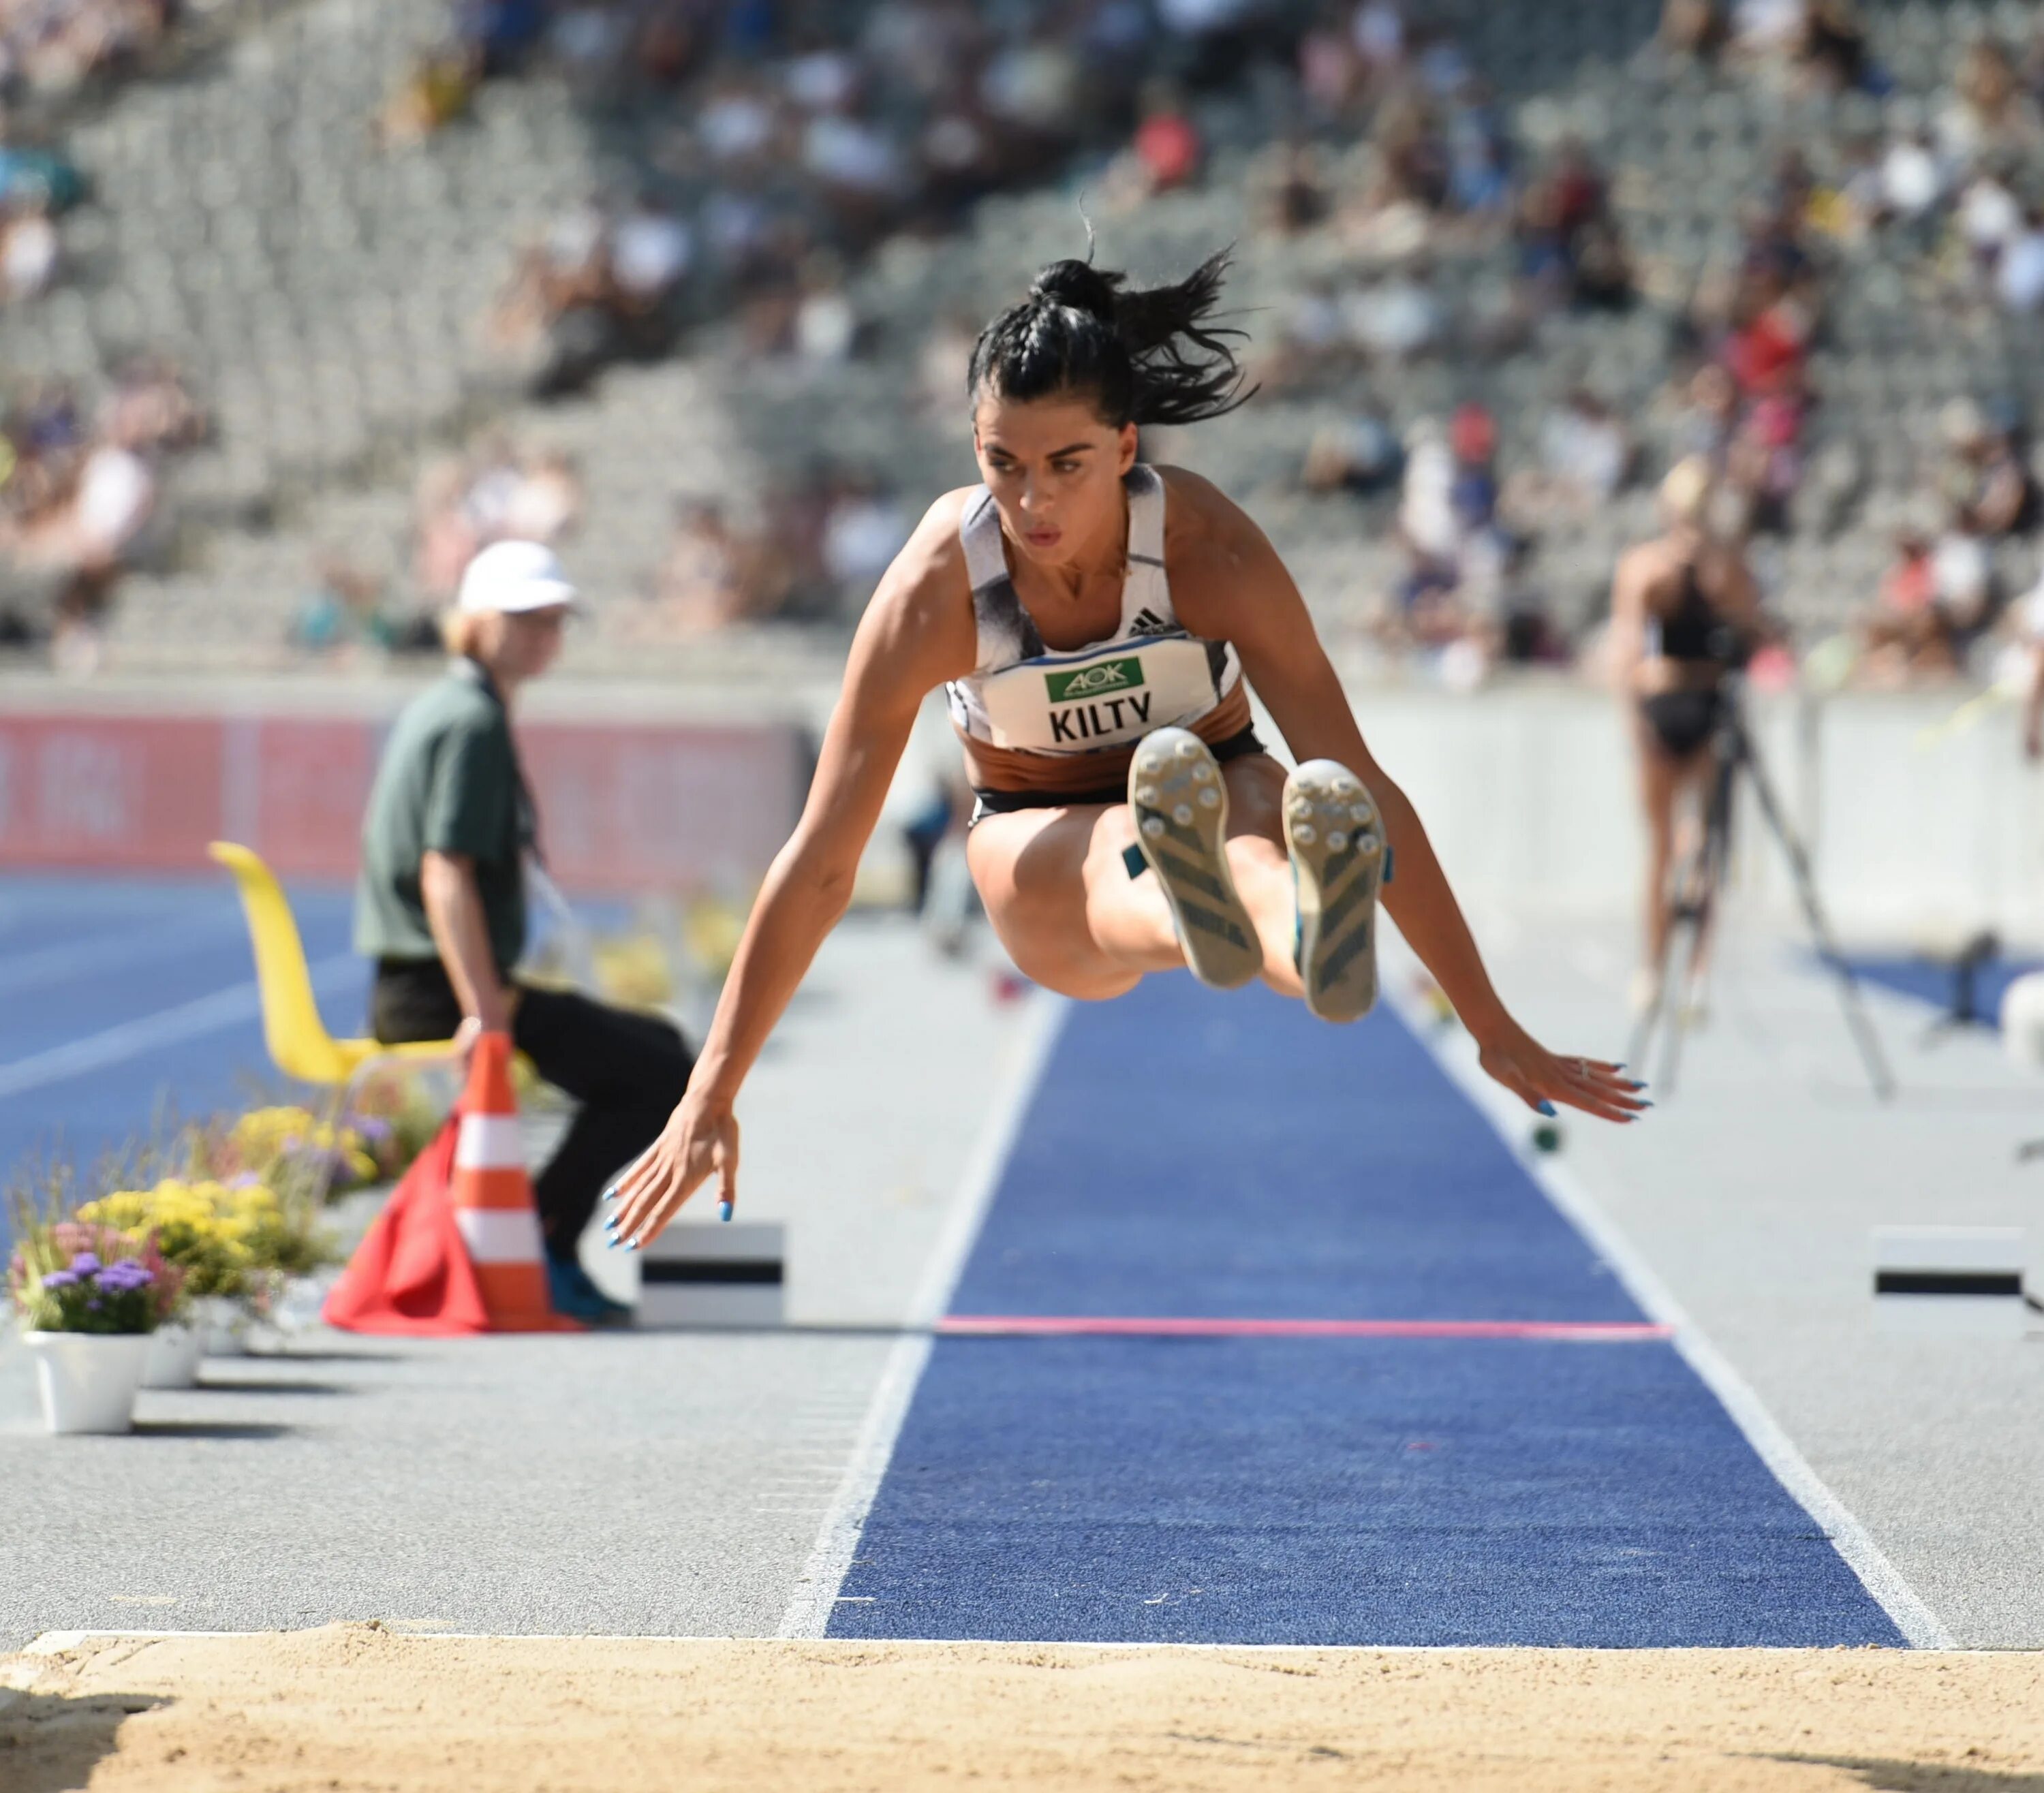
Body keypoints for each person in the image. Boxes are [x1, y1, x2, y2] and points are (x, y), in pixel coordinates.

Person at [606, 253, 1643, 1246]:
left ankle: (1317, 941)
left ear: (1127, 450)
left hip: (1220, 778)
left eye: (1066, 466)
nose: (1032, 502)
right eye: (1001, 465)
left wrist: (1489, 1019)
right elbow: (826, 856)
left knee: (1254, 844)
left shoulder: (1205, 548)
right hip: (1034, 834)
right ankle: (1218, 902)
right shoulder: (934, 588)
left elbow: (1362, 785)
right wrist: (712, 1088)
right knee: (1124, 855)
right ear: (974, 451)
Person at [354, 540, 694, 1324]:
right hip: (437, 993)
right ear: (473, 621)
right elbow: (446, 872)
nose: (544, 635)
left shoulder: (458, 705)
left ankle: (541, 1229)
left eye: (554, 620)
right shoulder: (471, 720)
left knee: (658, 1048)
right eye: (525, 618)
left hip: (431, 983)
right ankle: (542, 1236)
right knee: (657, 1072)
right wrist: (486, 1010)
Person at [1608, 458, 1761, 1017]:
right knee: (1664, 849)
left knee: (1699, 850)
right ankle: (1655, 966)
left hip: (1702, 708)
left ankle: (1691, 974)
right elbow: (1629, 649)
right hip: (1667, 705)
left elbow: (1747, 628)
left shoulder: (1723, 567)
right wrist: (1635, 723)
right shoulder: (1651, 567)